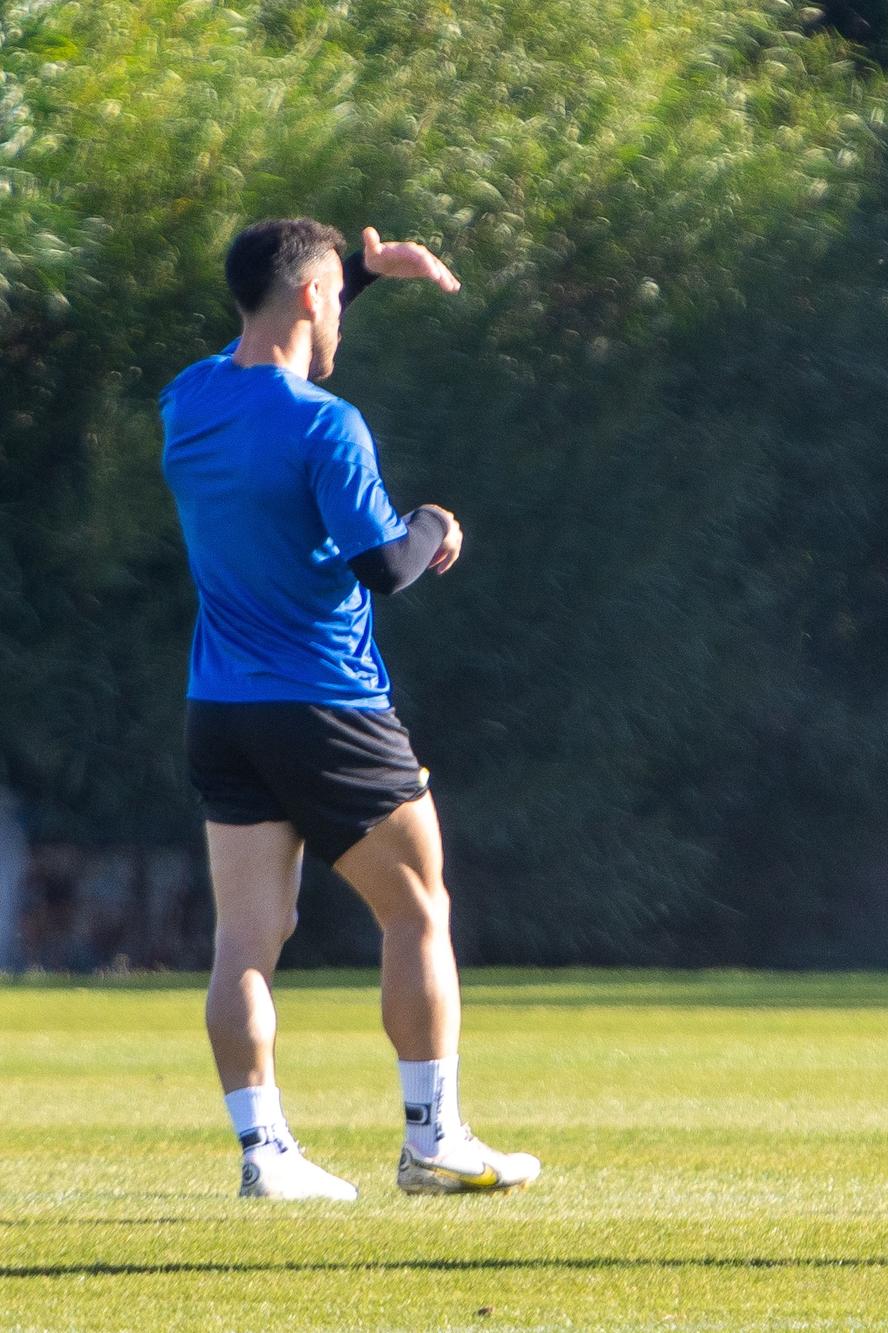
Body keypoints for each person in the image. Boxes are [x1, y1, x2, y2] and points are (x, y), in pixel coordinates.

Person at [160, 218, 540, 1200]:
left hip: (222, 709)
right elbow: (383, 567)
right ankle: (432, 1138)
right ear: (309, 299)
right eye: (335, 294)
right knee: (417, 906)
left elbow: (276, 335)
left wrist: (359, 272)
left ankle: (265, 1151)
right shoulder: (326, 424)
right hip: (326, 704)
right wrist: (435, 524)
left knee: (248, 935)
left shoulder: (188, 400)